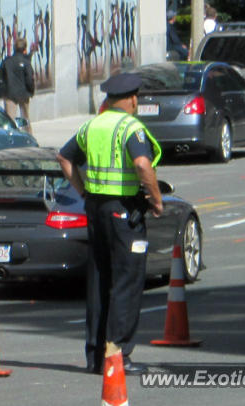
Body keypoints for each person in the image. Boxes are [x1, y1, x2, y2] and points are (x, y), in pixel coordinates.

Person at [56, 73, 163, 376]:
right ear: (131, 99)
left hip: (96, 208)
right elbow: (142, 165)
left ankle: (96, 357)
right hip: (124, 211)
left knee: (100, 280)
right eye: (136, 99)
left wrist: (84, 191)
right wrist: (156, 200)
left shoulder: (92, 126)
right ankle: (118, 355)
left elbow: (64, 158)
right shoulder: (131, 127)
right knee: (127, 280)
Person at [0, 37, 35, 133]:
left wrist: (5, 86)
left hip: (10, 94)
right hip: (24, 94)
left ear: (14, 48)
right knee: (25, 118)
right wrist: (31, 91)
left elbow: (0, 75)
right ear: (25, 50)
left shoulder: (7, 61)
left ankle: (10, 137)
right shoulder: (26, 63)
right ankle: (28, 136)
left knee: (10, 119)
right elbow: (30, 79)